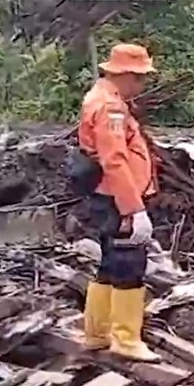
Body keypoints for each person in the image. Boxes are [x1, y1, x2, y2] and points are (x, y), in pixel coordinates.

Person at [77, 43, 161, 362]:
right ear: (125, 75)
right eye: (139, 79)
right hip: (117, 198)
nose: (141, 86)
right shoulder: (110, 108)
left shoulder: (104, 99)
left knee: (110, 264)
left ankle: (97, 334)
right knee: (129, 265)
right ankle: (125, 339)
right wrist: (134, 209)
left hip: (107, 196)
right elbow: (114, 160)